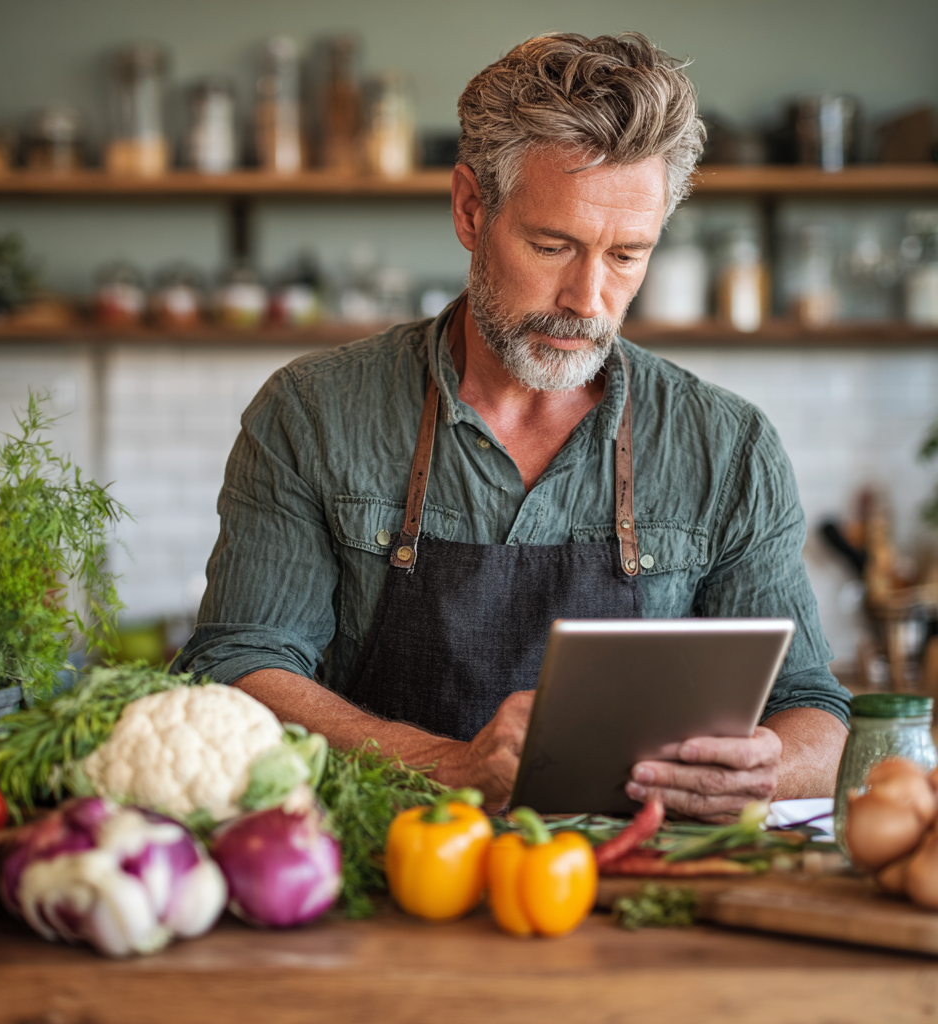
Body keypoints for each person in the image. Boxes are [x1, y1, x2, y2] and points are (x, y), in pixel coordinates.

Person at [177, 32, 850, 820]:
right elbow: (236, 666)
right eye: (552, 245)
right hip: (384, 873)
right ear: (471, 209)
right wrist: (450, 764)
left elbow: (815, 711)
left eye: (627, 256)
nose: (588, 298)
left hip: (636, 892)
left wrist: (766, 766)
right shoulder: (310, 413)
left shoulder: (728, 447)